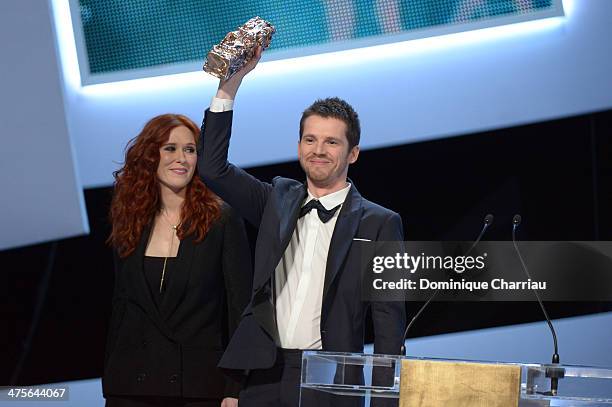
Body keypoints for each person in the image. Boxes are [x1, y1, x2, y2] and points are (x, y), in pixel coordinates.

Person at [198, 48, 406, 407]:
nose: (318, 150)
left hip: (331, 377)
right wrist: (228, 88)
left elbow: (388, 324)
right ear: (298, 146)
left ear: (352, 153)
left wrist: (386, 400)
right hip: (263, 372)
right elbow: (213, 169)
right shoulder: (274, 200)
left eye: (331, 142)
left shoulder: (380, 223)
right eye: (310, 140)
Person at [102, 114, 252, 407]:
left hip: (198, 387)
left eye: (190, 149)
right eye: (170, 148)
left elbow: (240, 309)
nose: (181, 158)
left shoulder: (221, 220)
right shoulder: (129, 219)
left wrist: (235, 387)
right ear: (150, 155)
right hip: (131, 385)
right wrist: (111, 379)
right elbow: (121, 306)